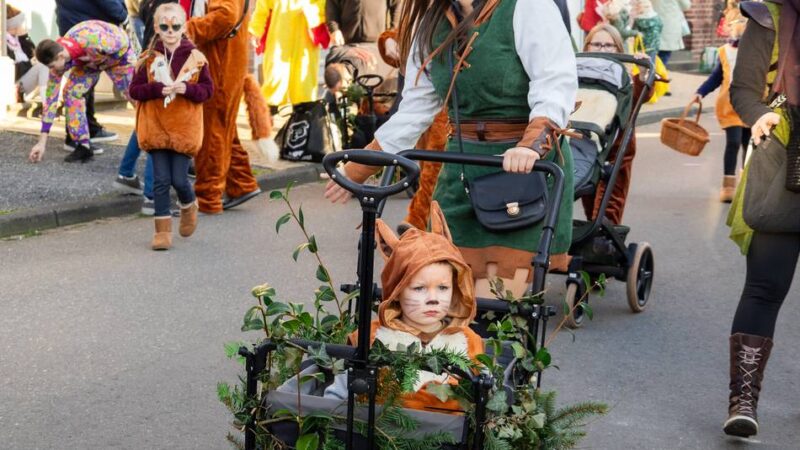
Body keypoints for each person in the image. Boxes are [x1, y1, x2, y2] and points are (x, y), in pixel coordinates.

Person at [325, 0, 577, 299]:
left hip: (523, 172)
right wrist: (359, 166)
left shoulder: (525, 6)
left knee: (495, 302)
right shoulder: (430, 22)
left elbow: (554, 83)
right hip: (462, 168)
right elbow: (415, 109)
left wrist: (531, 145)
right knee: (444, 297)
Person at [723, 0, 800, 438]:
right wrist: (760, 115)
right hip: (783, 160)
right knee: (766, 286)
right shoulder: (768, 16)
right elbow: (744, 91)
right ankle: (743, 402)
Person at [325, 202, 483, 413]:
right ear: (397, 293)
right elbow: (339, 393)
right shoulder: (373, 338)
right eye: (419, 288)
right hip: (380, 433)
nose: (433, 299)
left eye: (443, 288)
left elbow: (483, 397)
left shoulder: (468, 341)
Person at [129, 3, 213, 250]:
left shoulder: (196, 59)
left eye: (175, 26)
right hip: (155, 127)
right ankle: (162, 232)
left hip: (183, 129)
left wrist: (187, 89)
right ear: (156, 27)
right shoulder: (148, 58)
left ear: (183, 26)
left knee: (179, 178)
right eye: (164, 26)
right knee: (160, 180)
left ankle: (189, 204)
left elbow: (208, 91)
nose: (170, 31)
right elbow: (134, 90)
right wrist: (155, 89)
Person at [186, 0, 263, 213]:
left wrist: (189, 28)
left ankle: (209, 196)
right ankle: (241, 183)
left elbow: (225, 16)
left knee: (213, 133)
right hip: (226, 62)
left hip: (220, 65)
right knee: (224, 129)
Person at [28, 20, 135, 163]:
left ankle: (154, 137)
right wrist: (42, 142)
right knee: (71, 92)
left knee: (135, 95)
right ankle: (83, 145)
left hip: (117, 57)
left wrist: (102, 60)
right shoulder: (57, 62)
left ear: (60, 56)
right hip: (88, 62)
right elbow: (50, 100)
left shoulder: (94, 40)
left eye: (52, 66)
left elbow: (123, 42)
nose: (52, 69)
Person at [580, 24, 653, 225]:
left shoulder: (625, 78)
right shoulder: (578, 72)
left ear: (618, 50)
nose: (602, 50)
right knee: (587, 199)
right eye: (597, 44)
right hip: (586, 143)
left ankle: (604, 236)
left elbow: (640, 97)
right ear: (587, 47)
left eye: (608, 46)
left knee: (607, 209)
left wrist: (643, 75)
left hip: (616, 148)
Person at [693, 7, 748, 203]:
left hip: (752, 104)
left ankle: (747, 184)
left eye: (743, 23)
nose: (739, 28)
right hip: (729, 106)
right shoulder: (724, 51)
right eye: (735, 24)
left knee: (749, 145)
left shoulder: (758, 50)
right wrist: (700, 92)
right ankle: (728, 186)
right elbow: (717, 77)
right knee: (733, 142)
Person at [55, 0, 127, 149]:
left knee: (81, 87)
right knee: (80, 87)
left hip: (74, 25)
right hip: (91, 31)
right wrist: (122, 15)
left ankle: (84, 133)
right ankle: (78, 137)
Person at [249, 0, 330, 108]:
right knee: (275, 75)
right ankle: (269, 111)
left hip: (305, 39)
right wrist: (256, 31)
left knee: (304, 77)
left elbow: (324, 6)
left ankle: (303, 112)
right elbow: (262, 8)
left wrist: (311, 10)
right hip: (279, 36)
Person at [5, 5, 49, 103]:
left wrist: (24, 37)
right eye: (18, 23)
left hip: (24, 80)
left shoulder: (19, 39)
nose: (21, 25)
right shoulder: (4, 42)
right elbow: (15, 67)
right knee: (43, 68)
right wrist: (32, 63)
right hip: (15, 82)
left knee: (49, 65)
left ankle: (39, 99)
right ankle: (45, 103)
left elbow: (33, 54)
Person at [326, 0, 401, 46]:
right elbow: (332, 5)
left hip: (377, 44)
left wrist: (392, 32)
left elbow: (397, 5)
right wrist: (334, 29)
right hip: (345, 43)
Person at [652, 0, 691, 65]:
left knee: (652, 56)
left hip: (654, 24)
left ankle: (652, 73)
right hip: (669, 27)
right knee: (663, 57)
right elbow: (686, 6)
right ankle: (657, 74)